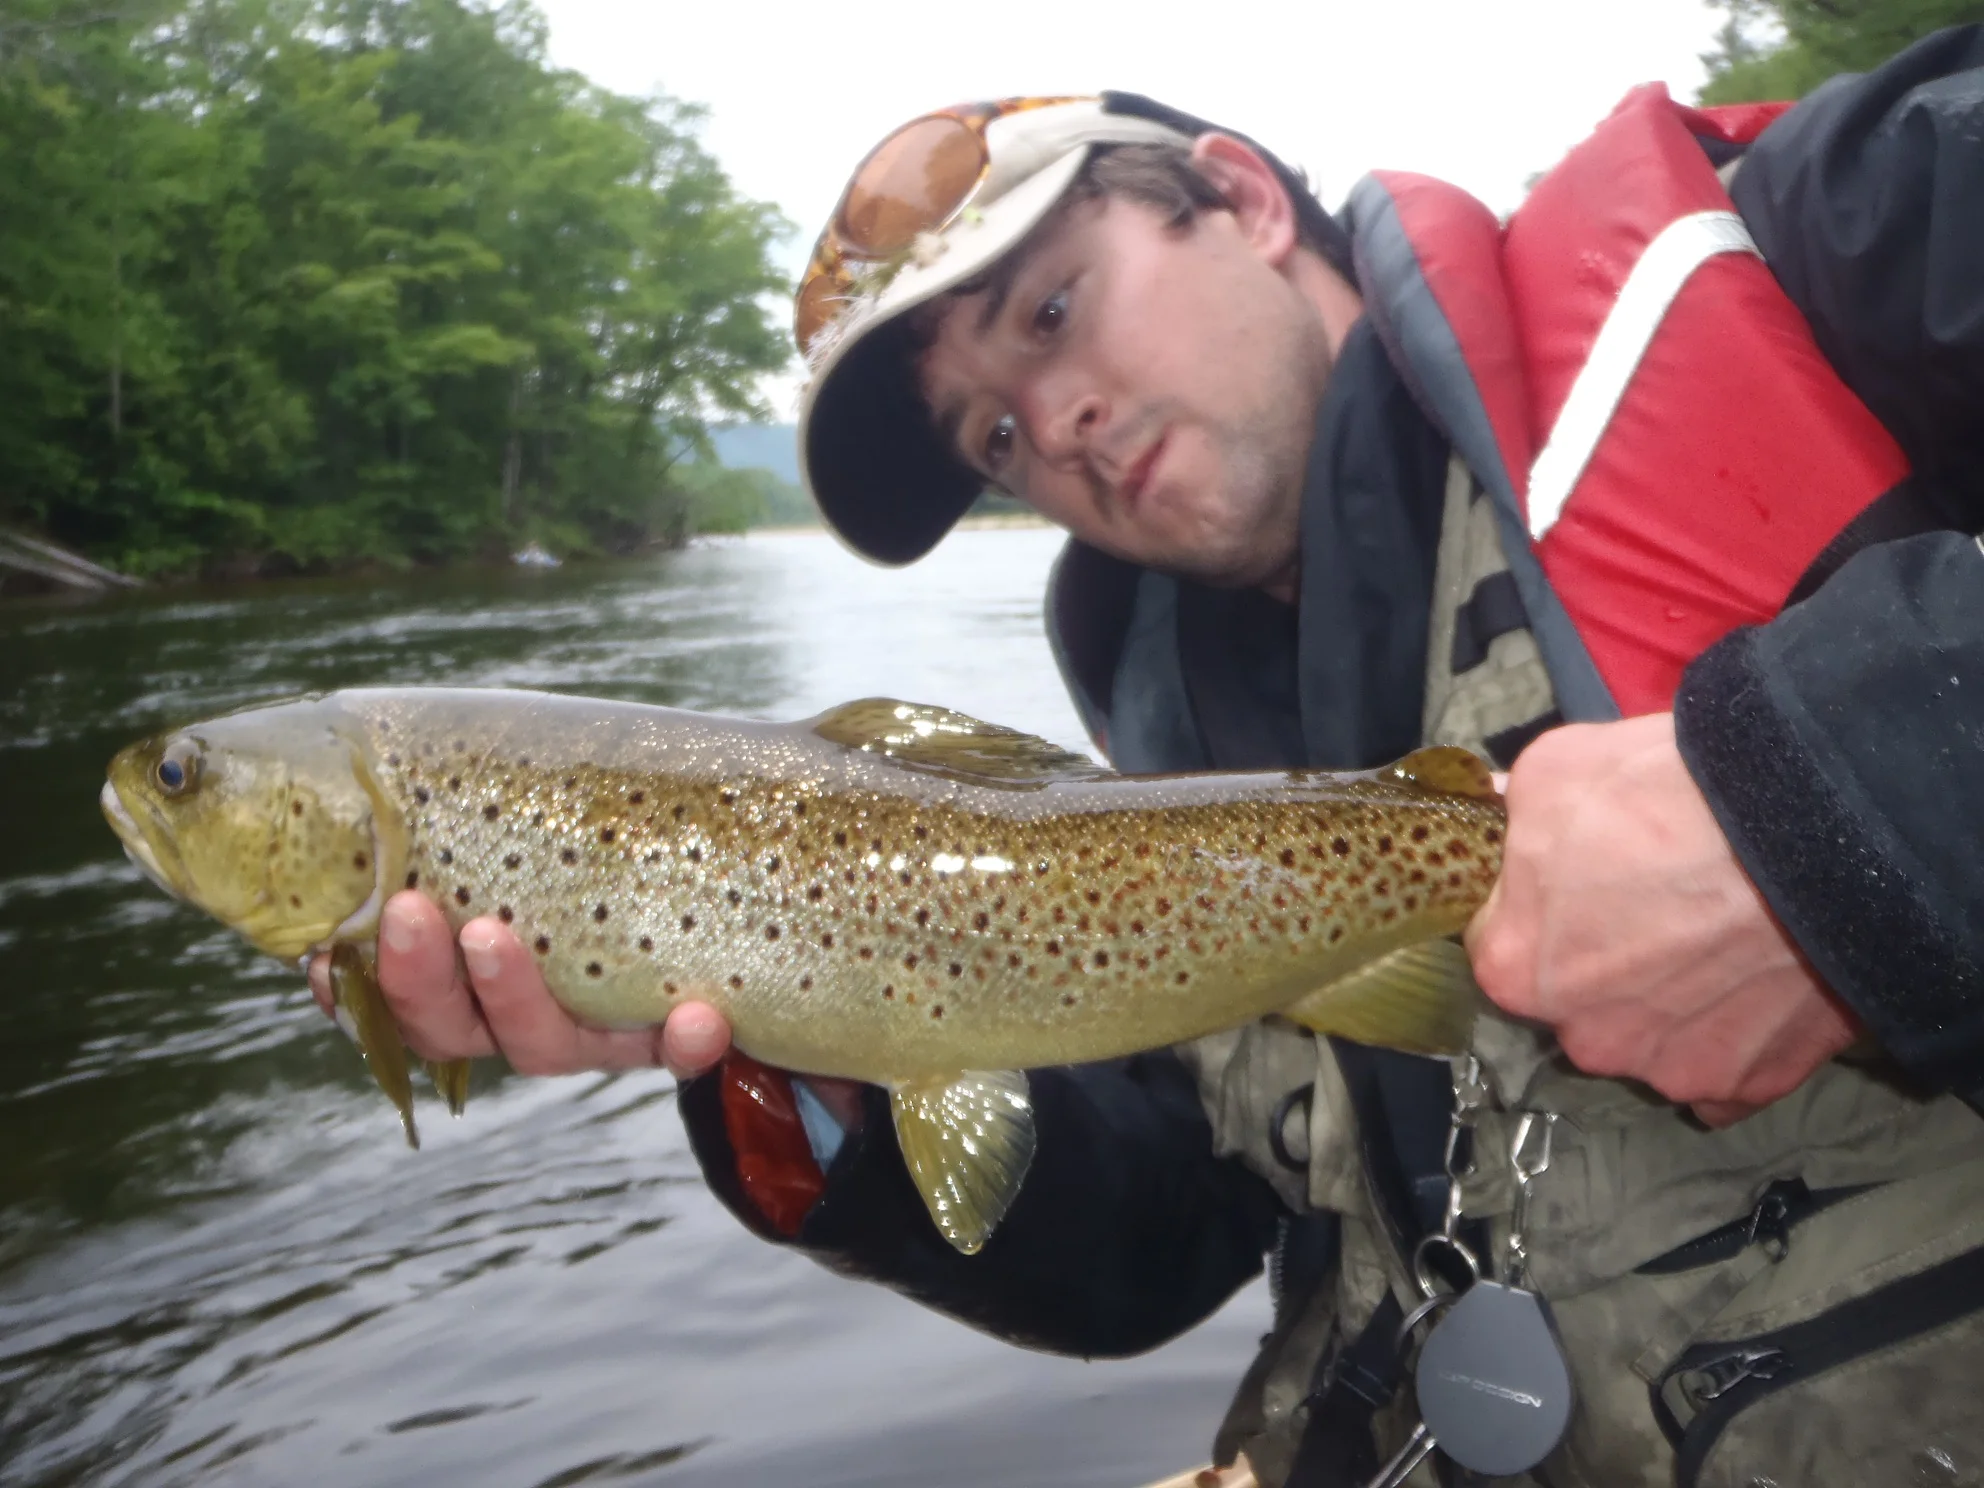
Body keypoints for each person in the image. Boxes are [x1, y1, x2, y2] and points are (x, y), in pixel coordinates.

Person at [313, 32, 1984, 1486]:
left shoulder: (1827, 241)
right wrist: (812, 1068)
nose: (1051, 426)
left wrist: (1836, 803)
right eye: (994, 435)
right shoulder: (1156, 741)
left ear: (1242, 199)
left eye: (1052, 310)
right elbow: (1161, 1246)